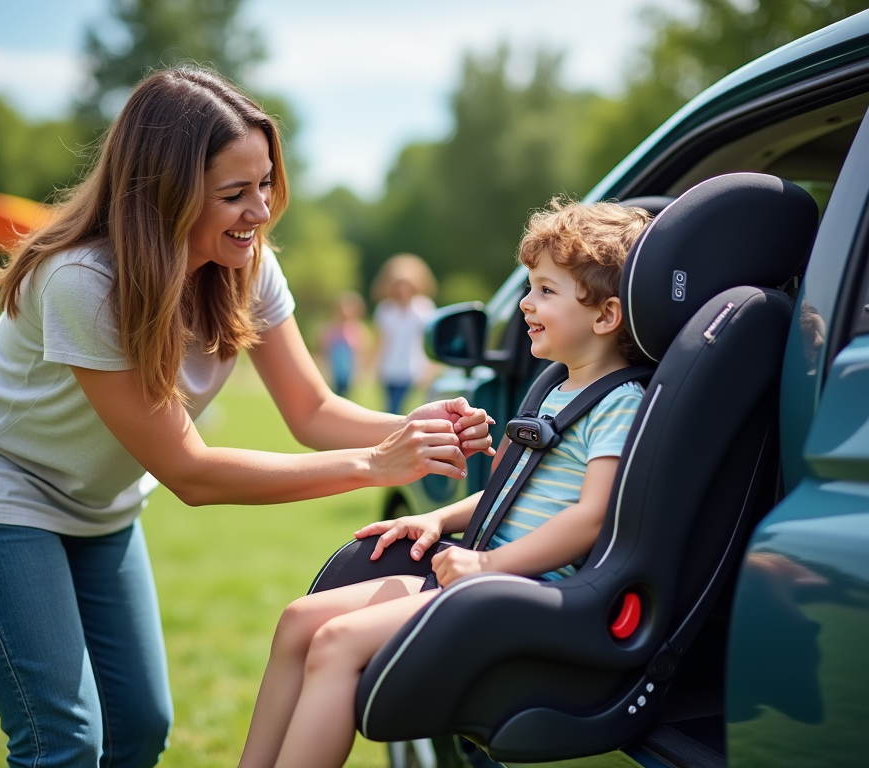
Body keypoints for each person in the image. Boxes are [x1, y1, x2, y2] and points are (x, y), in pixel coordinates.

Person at [0, 67, 495, 768]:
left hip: (95, 500)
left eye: (266, 184)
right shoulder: (84, 282)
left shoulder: (248, 264)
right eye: (235, 194)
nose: (260, 211)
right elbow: (191, 471)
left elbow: (312, 408)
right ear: (165, 195)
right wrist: (374, 464)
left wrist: (411, 430)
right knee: (62, 738)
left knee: (140, 727)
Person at [238, 198, 652, 768]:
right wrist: (438, 518)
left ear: (605, 316)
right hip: (484, 577)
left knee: (336, 645)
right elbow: (514, 492)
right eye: (529, 287)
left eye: (546, 291)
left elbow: (592, 516)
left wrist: (485, 567)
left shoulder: (619, 405)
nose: (526, 304)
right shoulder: (558, 390)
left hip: (523, 591)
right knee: (299, 622)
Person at [371, 254, 437, 413]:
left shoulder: (424, 308)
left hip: (412, 370)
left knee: (396, 409)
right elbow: (382, 341)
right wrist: (375, 366)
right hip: (389, 369)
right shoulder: (385, 309)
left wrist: (430, 369)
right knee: (390, 409)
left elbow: (427, 341)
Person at [319, 290, 369, 398]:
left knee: (346, 395)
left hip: (350, 371)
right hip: (335, 370)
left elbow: (361, 350)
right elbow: (324, 349)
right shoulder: (331, 329)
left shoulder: (356, 329)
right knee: (335, 395)